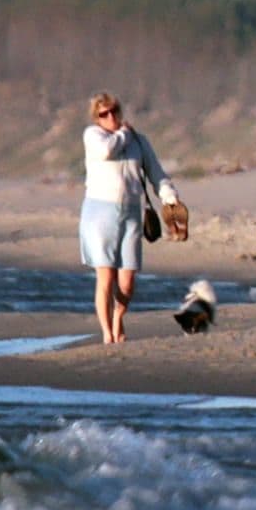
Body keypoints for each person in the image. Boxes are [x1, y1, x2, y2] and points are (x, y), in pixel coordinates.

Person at [79, 93, 181, 343]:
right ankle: (107, 332)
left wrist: (170, 198)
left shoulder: (139, 141)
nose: (111, 117)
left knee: (127, 281)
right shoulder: (93, 136)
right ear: (97, 118)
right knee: (106, 276)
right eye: (104, 114)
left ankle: (118, 318)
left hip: (132, 213)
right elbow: (107, 151)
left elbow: (156, 173)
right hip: (100, 212)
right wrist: (123, 134)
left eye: (114, 111)